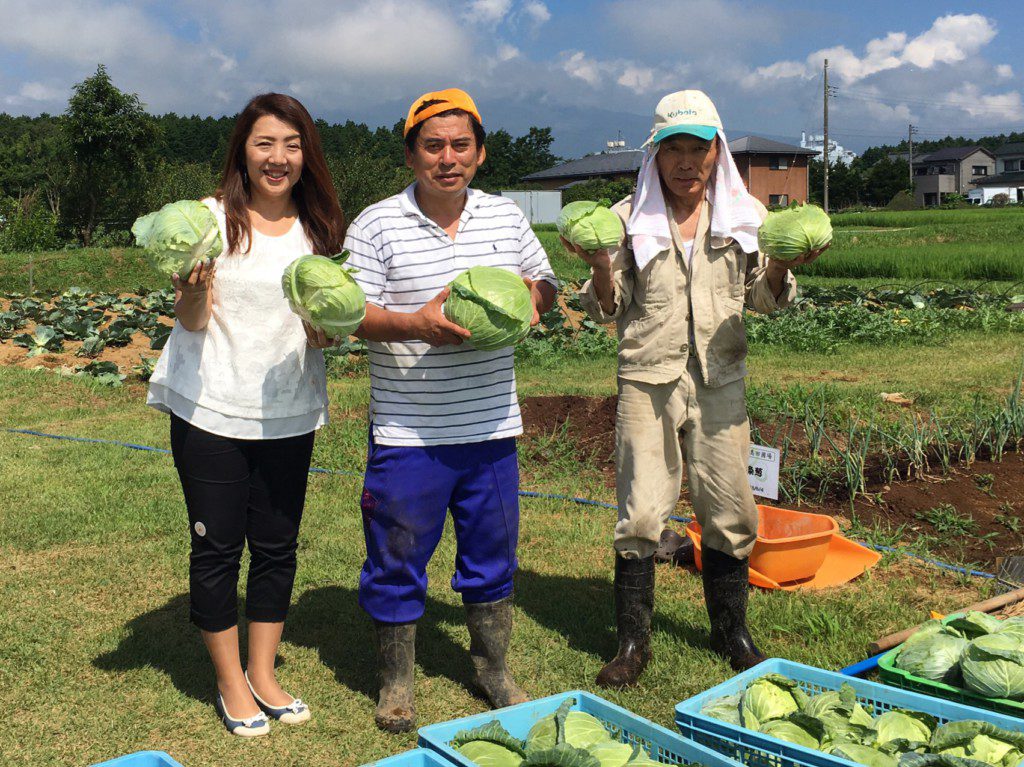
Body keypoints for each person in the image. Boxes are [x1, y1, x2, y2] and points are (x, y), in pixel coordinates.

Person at [568, 90, 826, 686]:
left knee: (731, 507)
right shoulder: (627, 219)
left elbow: (765, 300)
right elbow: (609, 309)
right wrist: (603, 265)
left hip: (720, 378)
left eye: (699, 149)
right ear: (654, 156)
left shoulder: (747, 219)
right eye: (673, 150)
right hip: (648, 380)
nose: (686, 163)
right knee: (640, 513)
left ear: (717, 154)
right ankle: (632, 645)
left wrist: (784, 265)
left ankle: (731, 632)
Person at [343, 88, 558, 733]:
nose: (447, 158)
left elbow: (543, 283)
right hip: (409, 429)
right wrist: (415, 322)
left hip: (492, 425)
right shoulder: (376, 224)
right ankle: (397, 681)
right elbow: (351, 314)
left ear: (481, 153)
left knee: (492, 553)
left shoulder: (506, 218)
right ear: (411, 155)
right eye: (432, 145)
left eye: (460, 145)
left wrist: (532, 300)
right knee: (397, 554)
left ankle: (493, 670)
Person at [147, 93, 346, 736]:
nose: (278, 158)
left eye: (292, 145)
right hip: (212, 405)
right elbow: (194, 320)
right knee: (216, 547)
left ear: (306, 155)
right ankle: (231, 681)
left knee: (277, 545)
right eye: (265, 143)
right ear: (243, 150)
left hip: (289, 409)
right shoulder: (211, 220)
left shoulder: (320, 229)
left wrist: (327, 332)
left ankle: (263, 670)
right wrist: (193, 292)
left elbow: (324, 327)